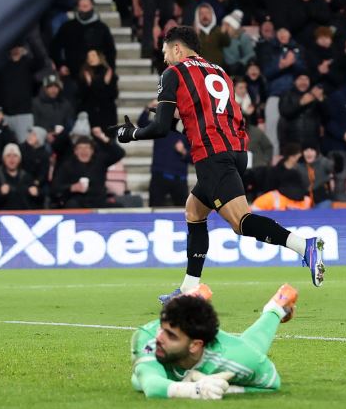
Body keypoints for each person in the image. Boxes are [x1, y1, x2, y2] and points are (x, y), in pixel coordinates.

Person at [110, 26, 325, 302]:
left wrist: (131, 134)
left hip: (213, 156)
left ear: (177, 48)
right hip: (234, 150)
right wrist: (177, 120)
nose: (165, 59)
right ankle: (189, 288)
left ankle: (304, 246)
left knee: (240, 222)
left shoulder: (173, 74)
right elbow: (203, 122)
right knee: (194, 211)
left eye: (165, 51)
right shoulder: (220, 72)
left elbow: (160, 128)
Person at [131, 285, 297, 399]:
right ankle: (191, 302)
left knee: (250, 349)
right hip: (189, 354)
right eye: (162, 329)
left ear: (195, 345)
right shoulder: (149, 336)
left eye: (171, 336)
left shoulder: (238, 358)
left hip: (227, 351)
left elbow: (272, 385)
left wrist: (229, 389)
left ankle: (276, 308)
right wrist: (197, 389)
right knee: (139, 381)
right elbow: (151, 385)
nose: (159, 337)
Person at [139, 101, 190, 208]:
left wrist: (184, 151)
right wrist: (149, 106)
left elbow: (195, 158)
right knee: (154, 209)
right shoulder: (160, 127)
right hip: (160, 176)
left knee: (183, 213)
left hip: (179, 178)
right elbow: (142, 123)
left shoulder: (189, 132)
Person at [0, 143, 41, 210]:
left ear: (19, 159)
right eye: (8, 156)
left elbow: (37, 202)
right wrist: (1, 195)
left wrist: (36, 194)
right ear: (3, 159)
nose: (12, 159)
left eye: (15, 156)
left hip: (24, 215)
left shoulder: (26, 176)